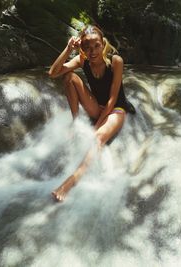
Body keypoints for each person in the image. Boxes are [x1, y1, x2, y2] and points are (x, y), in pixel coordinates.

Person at [48, 25, 135, 202]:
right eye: (87, 47)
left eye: (96, 46)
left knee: (97, 139)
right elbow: (53, 73)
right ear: (82, 48)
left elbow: (112, 99)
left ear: (103, 44)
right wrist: (68, 49)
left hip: (116, 108)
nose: (92, 51)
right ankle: (76, 122)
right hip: (97, 106)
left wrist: (96, 127)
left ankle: (70, 183)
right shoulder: (82, 59)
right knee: (69, 77)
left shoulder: (115, 61)